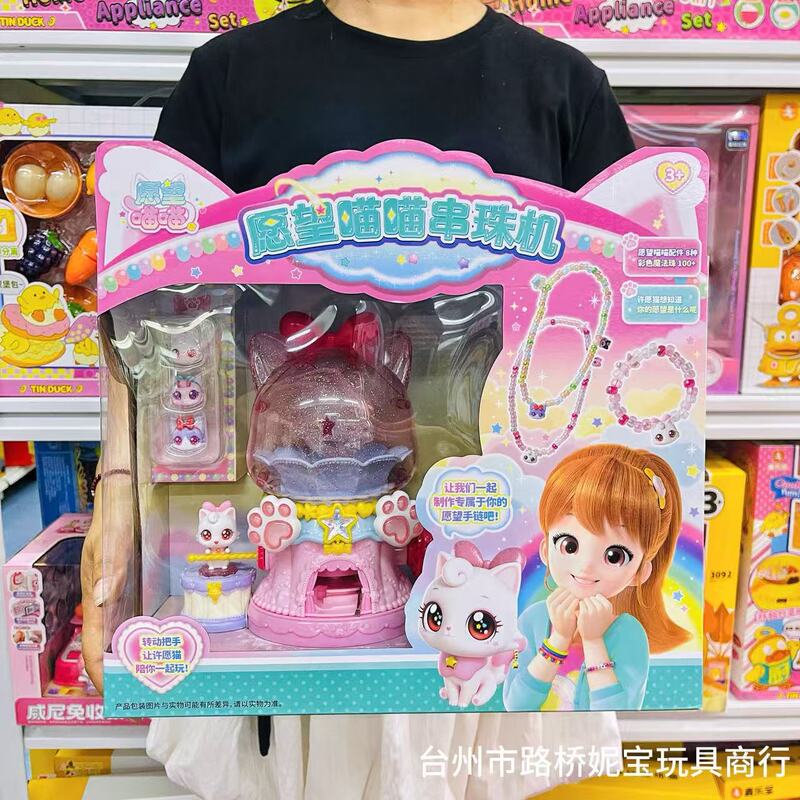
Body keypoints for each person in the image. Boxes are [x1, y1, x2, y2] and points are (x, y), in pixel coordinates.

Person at [82, 1, 633, 797]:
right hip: (267, 539)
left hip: (495, 547)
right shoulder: (233, 75)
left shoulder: (562, 88)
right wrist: (119, 494)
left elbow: (617, 333)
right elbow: (150, 311)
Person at [504, 444, 690, 712]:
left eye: (614, 556)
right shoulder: (532, 620)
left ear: (639, 572)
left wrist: (593, 642)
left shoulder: (629, 634)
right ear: (546, 549)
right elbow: (515, 705)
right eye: (569, 545)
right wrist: (558, 639)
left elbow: (620, 712)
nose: (585, 567)